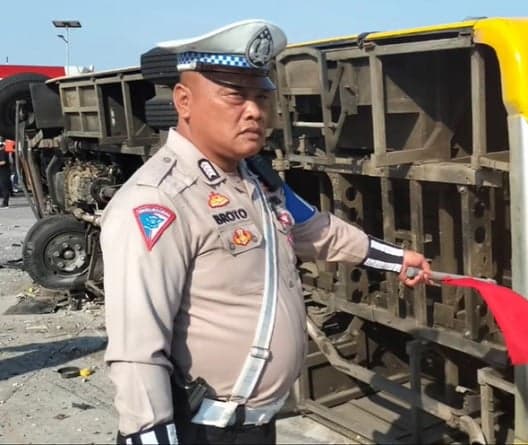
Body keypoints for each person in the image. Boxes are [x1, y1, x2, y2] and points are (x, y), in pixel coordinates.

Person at [101, 19, 431, 445]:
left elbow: (316, 231)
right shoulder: (158, 201)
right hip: (203, 431)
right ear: (184, 101)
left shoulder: (254, 180)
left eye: (262, 96)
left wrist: (395, 259)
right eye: (234, 95)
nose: (254, 110)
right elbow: (136, 349)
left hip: (256, 423)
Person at [0, 141, 11, 208]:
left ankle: (5, 203)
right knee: (3, 187)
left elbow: (3, 162)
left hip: (4, 172)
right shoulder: (4, 152)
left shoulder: (2, 152)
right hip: (3, 172)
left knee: (4, 187)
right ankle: (4, 202)